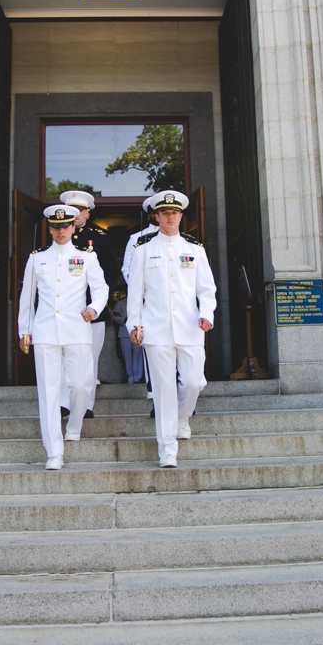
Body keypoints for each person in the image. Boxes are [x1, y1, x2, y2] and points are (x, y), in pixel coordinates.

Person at [126, 190, 216, 468]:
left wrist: (207, 314)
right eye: (165, 213)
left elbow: (207, 289)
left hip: (190, 328)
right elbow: (134, 292)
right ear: (157, 216)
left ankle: (182, 418)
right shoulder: (143, 250)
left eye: (175, 213)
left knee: (193, 382)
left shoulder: (194, 249)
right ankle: (167, 448)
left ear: (180, 216)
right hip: (156, 330)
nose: (171, 218)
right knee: (164, 389)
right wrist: (134, 323)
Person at [17, 204, 108, 470]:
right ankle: (53, 451)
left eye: (65, 226)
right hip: (45, 332)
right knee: (48, 393)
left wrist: (94, 307)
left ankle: (75, 423)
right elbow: (27, 299)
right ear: (49, 229)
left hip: (78, 329)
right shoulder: (37, 259)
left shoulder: (87, 257)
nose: (61, 231)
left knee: (81, 385)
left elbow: (101, 288)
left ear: (73, 227)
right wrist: (26, 330)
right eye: (56, 227)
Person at [58, 190, 120, 419]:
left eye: (79, 211)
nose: (74, 216)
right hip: (64, 310)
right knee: (64, 356)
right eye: (70, 211)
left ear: (87, 213)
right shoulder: (58, 237)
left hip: (92, 310)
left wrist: (101, 302)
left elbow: (110, 273)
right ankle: (64, 402)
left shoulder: (99, 237)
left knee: (89, 359)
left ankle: (85, 405)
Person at [122, 196, 160, 405]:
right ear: (150, 215)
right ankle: (152, 387)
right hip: (147, 300)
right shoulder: (137, 238)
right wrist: (141, 289)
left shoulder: (180, 238)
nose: (160, 216)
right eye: (157, 212)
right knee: (149, 342)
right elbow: (127, 269)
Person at [109, 294, 144, 383]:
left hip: (138, 331)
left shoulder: (141, 302)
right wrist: (124, 320)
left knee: (138, 354)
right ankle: (130, 376)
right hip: (124, 332)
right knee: (127, 355)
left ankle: (138, 376)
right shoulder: (120, 303)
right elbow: (115, 317)